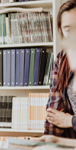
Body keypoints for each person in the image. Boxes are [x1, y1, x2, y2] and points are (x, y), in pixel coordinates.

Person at [44, 0, 76, 138]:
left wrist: (70, 120)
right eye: (68, 30)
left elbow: (64, 119)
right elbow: (54, 111)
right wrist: (48, 141)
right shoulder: (62, 59)